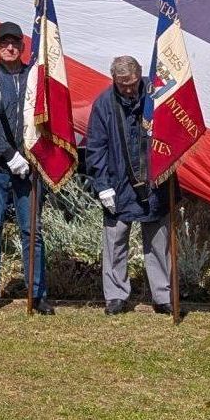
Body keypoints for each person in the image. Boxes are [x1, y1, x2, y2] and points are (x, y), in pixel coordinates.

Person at [0, 20, 54, 314]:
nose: (9, 47)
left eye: (15, 43)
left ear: (23, 46)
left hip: (29, 168)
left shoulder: (35, 78)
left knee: (32, 230)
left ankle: (37, 293)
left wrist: (29, 158)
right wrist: (8, 154)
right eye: (4, 43)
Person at [84, 55, 172, 315]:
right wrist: (102, 185)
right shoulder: (103, 104)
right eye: (123, 85)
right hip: (117, 183)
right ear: (114, 80)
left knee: (158, 242)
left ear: (140, 75)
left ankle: (163, 295)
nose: (130, 89)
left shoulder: (156, 96)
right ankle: (115, 296)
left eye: (133, 83)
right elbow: (96, 148)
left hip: (155, 183)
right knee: (115, 242)